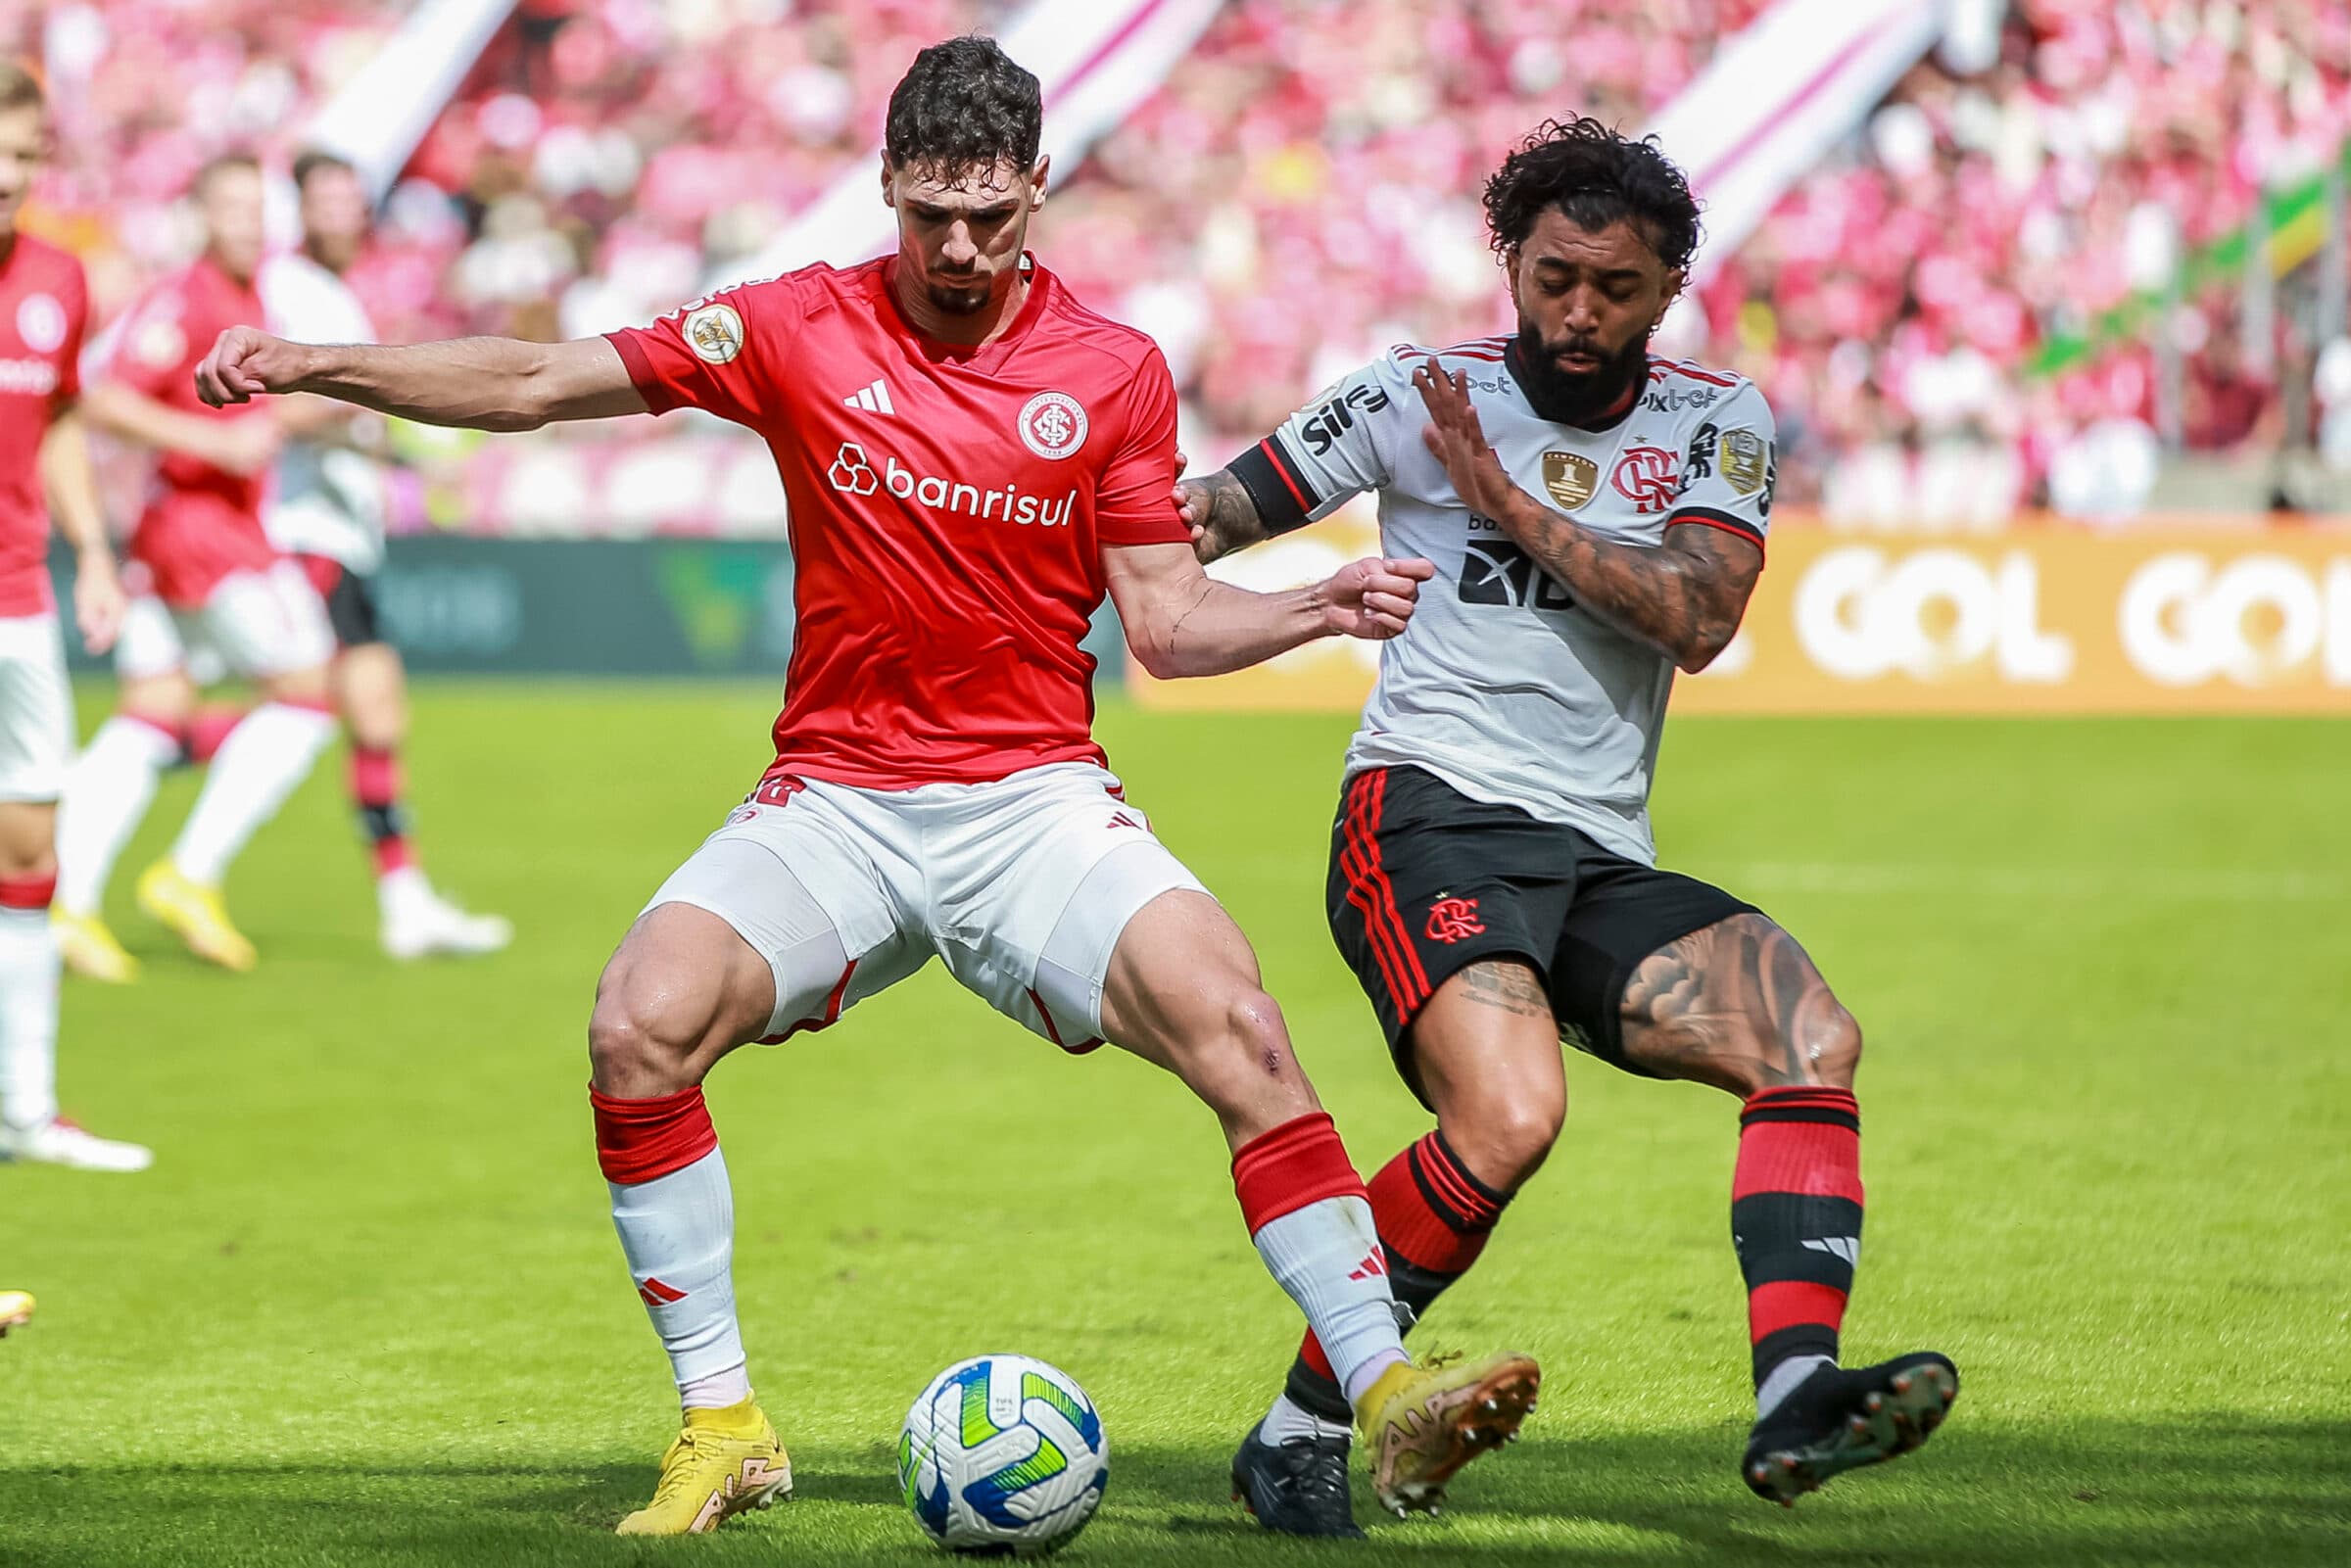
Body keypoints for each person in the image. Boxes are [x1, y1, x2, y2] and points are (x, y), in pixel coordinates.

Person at [196, 37, 1539, 1538]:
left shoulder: (1112, 371)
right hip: (838, 796)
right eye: (928, 215)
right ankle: (723, 1425)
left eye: (989, 215)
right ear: (886, 187)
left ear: (1038, 189)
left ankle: (1383, 1389)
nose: (958, 249)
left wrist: (1314, 603)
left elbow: (1161, 618)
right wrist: (320, 363)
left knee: (1240, 1031)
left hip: (1031, 799)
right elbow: (528, 380)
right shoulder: (792, 326)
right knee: (637, 1023)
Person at [1180, 118, 1957, 1534]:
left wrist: (1508, 508)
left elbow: (1701, 621)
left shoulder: (1715, 420)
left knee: (1809, 1039)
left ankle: (1793, 1395)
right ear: (1513, 266)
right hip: (1424, 812)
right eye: (1551, 280)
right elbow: (1209, 517)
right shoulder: (1412, 393)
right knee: (1512, 1112)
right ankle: (1315, 1418)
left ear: (1669, 291)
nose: (1577, 313)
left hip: (1596, 850)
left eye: (1614, 286)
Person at [52, 152, 339, 978]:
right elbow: (102, 395)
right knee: (307, 697)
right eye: (233, 207)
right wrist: (214, 441)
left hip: (182, 530)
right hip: (203, 531)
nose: (249, 222)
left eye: (259, 207)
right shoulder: (185, 297)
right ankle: (190, 872)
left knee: (153, 709)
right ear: (204, 217)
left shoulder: (250, 297)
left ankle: (64, 900)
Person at [259, 149, 510, 960]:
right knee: (311, 712)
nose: (340, 212)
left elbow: (341, 414)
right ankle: (138, 792)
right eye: (323, 197)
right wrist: (381, 410)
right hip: (306, 530)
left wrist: (407, 458)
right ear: (296, 208)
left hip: (342, 530)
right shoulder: (288, 287)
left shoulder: (333, 293)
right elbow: (284, 404)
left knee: (370, 718)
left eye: (348, 197)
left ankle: (404, 902)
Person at [0, 60, 148, 1171]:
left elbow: (52, 421)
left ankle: (25, 1108)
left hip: (20, 593)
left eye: (24, 161)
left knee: (31, 842)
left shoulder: (59, 276)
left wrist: (92, 550)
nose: (10, 180)